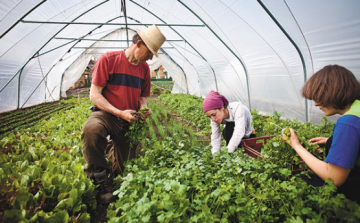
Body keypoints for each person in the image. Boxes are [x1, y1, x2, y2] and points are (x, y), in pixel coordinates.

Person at [81, 25, 166, 204]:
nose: (150, 58)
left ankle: (113, 151)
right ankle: (99, 178)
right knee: (92, 130)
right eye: (150, 53)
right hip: (106, 114)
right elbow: (94, 95)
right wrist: (119, 112)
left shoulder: (144, 70)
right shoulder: (108, 60)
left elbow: (143, 96)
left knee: (124, 169)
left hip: (129, 119)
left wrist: (143, 108)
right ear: (139, 44)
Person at [282, 65, 360, 203]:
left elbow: (334, 178)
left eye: (320, 97)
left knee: (301, 182)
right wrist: (332, 140)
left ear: (336, 93)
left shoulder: (348, 123)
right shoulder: (357, 110)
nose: (317, 104)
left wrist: (296, 145)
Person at [203, 90, 255, 154]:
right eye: (209, 117)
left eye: (213, 115)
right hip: (231, 134)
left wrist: (228, 152)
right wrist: (215, 153)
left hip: (248, 135)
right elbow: (215, 135)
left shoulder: (238, 108)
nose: (212, 119)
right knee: (227, 131)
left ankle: (234, 150)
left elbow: (239, 131)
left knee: (230, 127)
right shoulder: (214, 117)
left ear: (222, 108)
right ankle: (233, 150)